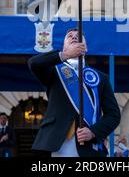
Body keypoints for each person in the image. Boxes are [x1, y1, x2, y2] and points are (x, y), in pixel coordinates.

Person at [27, 28, 121, 157]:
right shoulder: (54, 71)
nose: (74, 37)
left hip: (87, 146)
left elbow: (113, 115)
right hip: (54, 143)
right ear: (64, 47)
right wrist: (65, 55)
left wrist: (93, 132)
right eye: (69, 36)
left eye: (79, 36)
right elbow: (33, 64)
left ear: (85, 48)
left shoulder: (100, 78)